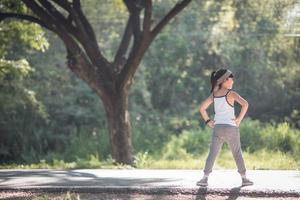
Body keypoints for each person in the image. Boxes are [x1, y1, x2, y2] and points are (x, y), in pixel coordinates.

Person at [197, 68, 253, 187]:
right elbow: (245, 104)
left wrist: (208, 121)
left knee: (212, 153)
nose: (232, 81)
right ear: (224, 80)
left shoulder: (214, 95)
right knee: (237, 153)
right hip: (231, 128)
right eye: (231, 79)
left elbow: (202, 108)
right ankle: (244, 179)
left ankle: (204, 179)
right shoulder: (231, 94)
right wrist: (238, 119)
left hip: (218, 128)